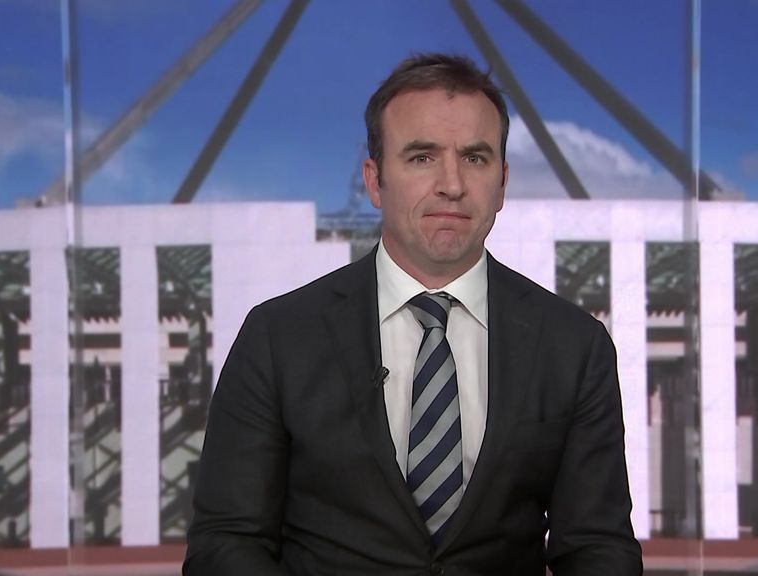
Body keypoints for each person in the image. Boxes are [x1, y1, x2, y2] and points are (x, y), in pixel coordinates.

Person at [184, 53, 641, 575]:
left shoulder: (574, 345)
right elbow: (226, 544)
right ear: (374, 181)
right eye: (422, 157)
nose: (452, 184)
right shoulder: (278, 338)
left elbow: (598, 547)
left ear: (502, 182)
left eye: (475, 158)